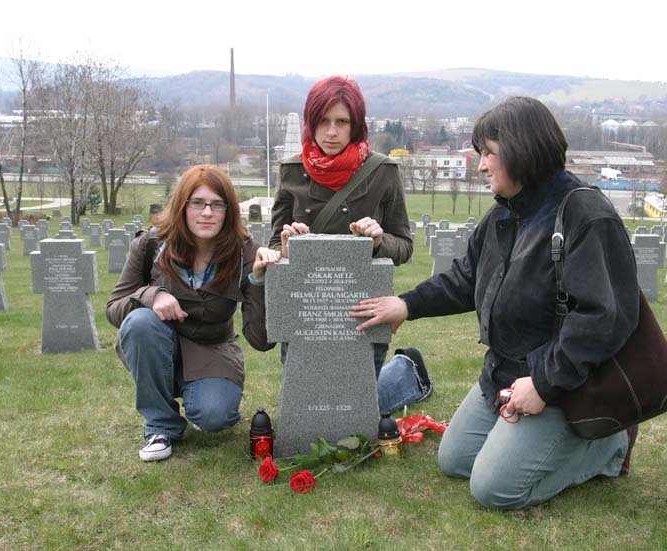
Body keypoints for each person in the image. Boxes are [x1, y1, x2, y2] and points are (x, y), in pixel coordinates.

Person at [352, 97, 639, 509]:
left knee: (493, 489)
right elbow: (466, 278)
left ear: (523, 151)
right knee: (455, 460)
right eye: (480, 154)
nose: (481, 165)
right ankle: (524, 439)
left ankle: (607, 445)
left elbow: (604, 316)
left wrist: (543, 384)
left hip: (565, 383)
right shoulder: (504, 214)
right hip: (503, 371)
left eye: (489, 154)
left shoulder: (584, 214)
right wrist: (406, 305)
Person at [268, 75, 431, 411]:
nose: (331, 132)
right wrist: (285, 247)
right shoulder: (291, 171)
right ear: (310, 123)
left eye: (342, 122)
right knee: (308, 407)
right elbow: (272, 246)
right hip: (306, 308)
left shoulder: (382, 171)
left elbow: (404, 246)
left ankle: (407, 372)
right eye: (323, 121)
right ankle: (404, 373)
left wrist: (376, 240)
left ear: (355, 125)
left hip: (362, 309)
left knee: (353, 408)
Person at [107, 165, 279, 461]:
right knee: (140, 322)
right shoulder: (151, 245)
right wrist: (151, 295)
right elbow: (114, 308)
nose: (207, 212)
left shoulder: (245, 252)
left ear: (228, 210)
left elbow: (262, 341)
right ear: (182, 207)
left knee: (215, 418)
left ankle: (201, 397)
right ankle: (160, 425)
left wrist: (259, 280)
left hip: (212, 348)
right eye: (197, 203)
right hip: (162, 342)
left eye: (217, 204)